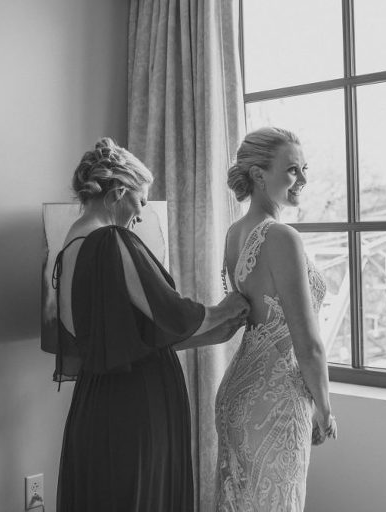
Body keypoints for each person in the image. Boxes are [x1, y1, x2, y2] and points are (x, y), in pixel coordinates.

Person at [54, 137, 249, 511]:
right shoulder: (110, 239)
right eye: (141, 200)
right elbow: (169, 312)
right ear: (120, 192)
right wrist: (225, 309)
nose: (140, 213)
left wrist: (207, 335)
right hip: (137, 402)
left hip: (96, 399)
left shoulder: (69, 245)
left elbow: (116, 337)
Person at [214, 127, 337, 511]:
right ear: (258, 174)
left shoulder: (235, 233)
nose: (302, 179)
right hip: (277, 401)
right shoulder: (282, 236)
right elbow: (309, 343)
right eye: (292, 170)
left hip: (237, 394)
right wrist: (325, 407)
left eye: (304, 169)